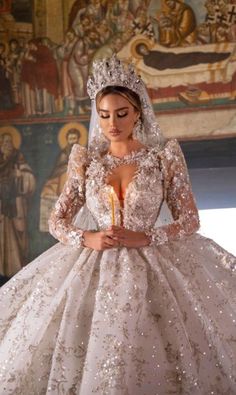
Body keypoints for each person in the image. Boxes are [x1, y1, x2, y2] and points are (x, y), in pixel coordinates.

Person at [0, 55, 235, 394]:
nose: (112, 123)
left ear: (139, 112)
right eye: (104, 114)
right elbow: (57, 219)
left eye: (122, 113)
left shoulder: (163, 157)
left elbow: (190, 219)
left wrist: (146, 237)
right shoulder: (86, 161)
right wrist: (87, 237)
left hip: (154, 264)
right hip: (94, 264)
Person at [0, 132, 36, 277]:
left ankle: (18, 268)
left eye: (9, 142)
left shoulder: (18, 158)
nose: (6, 145)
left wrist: (20, 176)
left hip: (16, 203)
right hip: (2, 205)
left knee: (19, 233)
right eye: (4, 143)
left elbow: (30, 179)